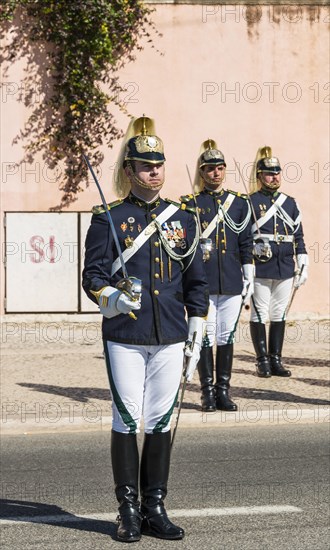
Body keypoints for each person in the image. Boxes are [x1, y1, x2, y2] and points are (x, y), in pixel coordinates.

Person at [82, 116, 209, 543]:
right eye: (145, 165)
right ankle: (128, 511)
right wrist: (112, 299)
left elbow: (196, 278)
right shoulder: (109, 219)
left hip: (171, 333)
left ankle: (155, 505)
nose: (154, 171)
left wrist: (198, 323)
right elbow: (92, 275)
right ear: (129, 171)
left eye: (159, 165)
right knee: (128, 416)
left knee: (159, 419)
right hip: (126, 335)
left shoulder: (184, 217)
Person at [180, 140, 254, 413]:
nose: (216, 173)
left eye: (220, 168)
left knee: (226, 337)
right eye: (210, 169)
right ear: (201, 172)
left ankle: (223, 391)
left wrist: (249, 272)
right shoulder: (190, 204)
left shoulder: (238, 203)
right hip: (204, 282)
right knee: (206, 336)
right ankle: (206, 393)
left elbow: (246, 240)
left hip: (232, 281)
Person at [248, 146, 308, 377]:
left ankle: (276, 360)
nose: (274, 177)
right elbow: (243, 238)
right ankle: (261, 361)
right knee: (260, 313)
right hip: (261, 266)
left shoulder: (290, 203)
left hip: (284, 265)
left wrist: (303, 260)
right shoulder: (250, 202)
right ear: (260, 176)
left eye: (277, 172)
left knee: (279, 313)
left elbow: (298, 235)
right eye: (269, 173)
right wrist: (252, 250)